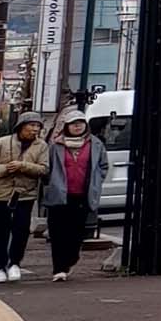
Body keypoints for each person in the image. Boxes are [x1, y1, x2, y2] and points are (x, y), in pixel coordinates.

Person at [0, 113, 50, 285]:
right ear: (21, 126)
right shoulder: (1, 143)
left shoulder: (42, 146)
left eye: (37, 126)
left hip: (25, 195)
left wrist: (23, 166)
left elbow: (44, 169)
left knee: (21, 230)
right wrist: (4, 169)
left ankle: (15, 263)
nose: (35, 129)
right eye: (31, 125)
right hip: (0, 194)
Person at [41, 107, 102, 281]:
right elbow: (47, 167)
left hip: (82, 194)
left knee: (77, 233)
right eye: (73, 124)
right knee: (58, 233)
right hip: (59, 196)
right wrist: (51, 183)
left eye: (80, 124)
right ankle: (58, 269)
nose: (77, 127)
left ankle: (70, 259)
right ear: (66, 126)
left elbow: (102, 166)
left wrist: (96, 181)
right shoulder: (56, 145)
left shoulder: (95, 144)